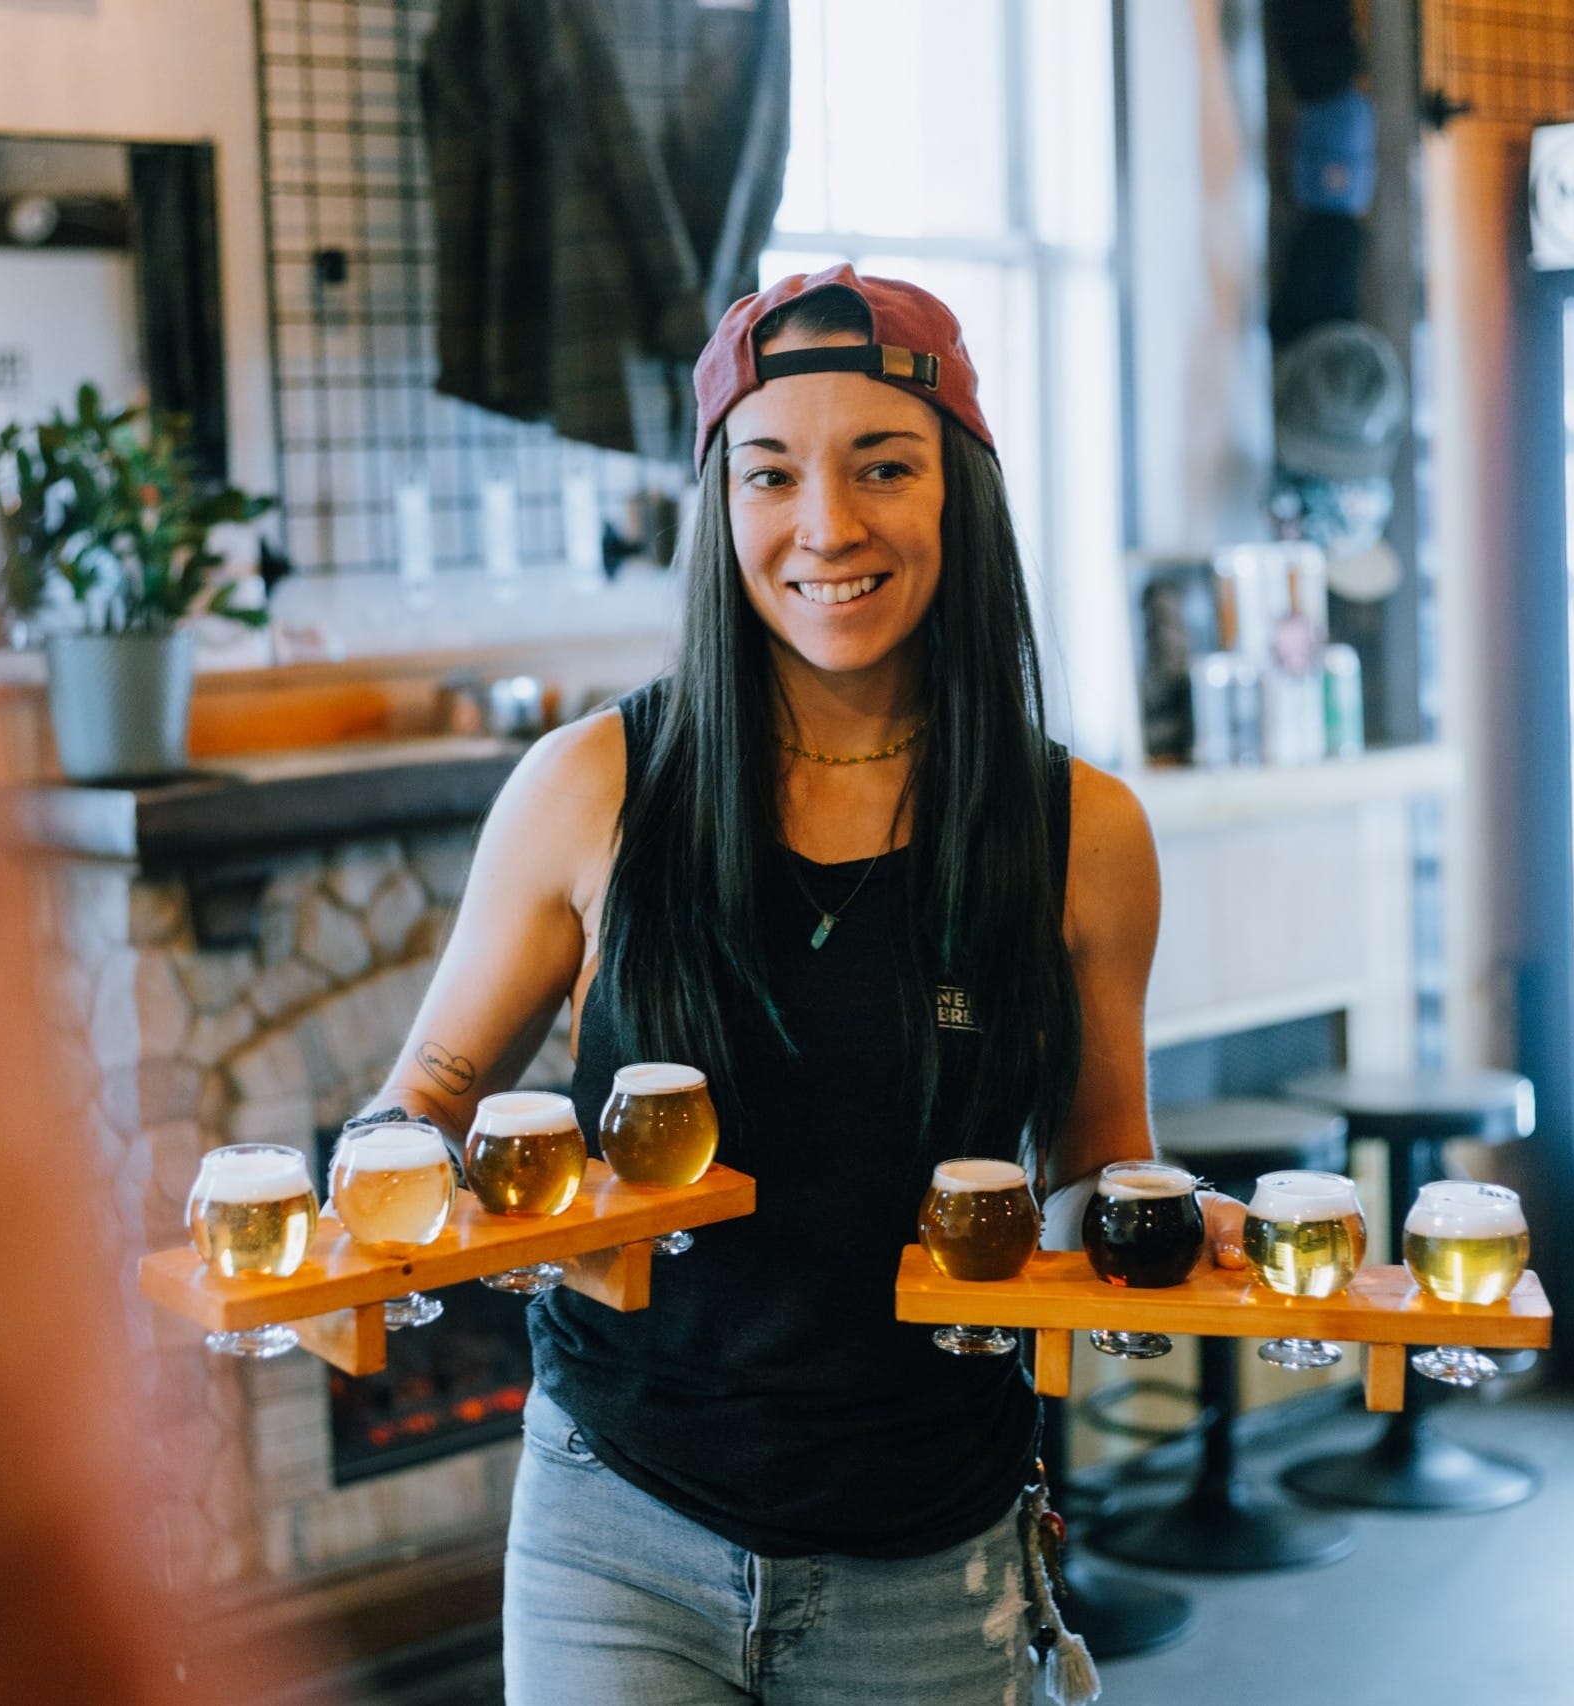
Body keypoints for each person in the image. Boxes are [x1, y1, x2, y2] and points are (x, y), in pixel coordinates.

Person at [358, 264, 1246, 1704]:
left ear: (959, 490)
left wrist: (1158, 1225)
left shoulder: (1081, 832)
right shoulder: (591, 787)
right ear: (720, 510)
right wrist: (412, 1182)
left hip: (930, 1546)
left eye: (880, 466)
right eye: (768, 474)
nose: (825, 525)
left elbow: (1092, 1166)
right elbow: (418, 1102)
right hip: (614, 1527)